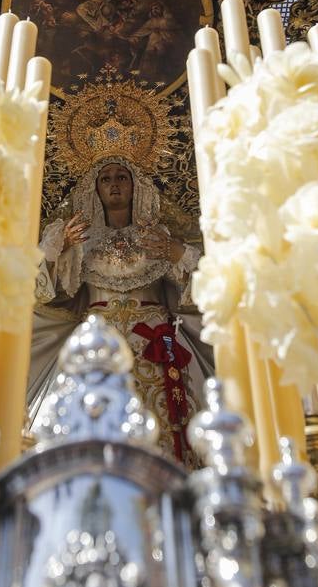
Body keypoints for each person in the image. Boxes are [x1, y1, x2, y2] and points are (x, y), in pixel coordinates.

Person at [28, 156, 213, 466]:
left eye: (121, 177)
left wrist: (176, 252)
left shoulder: (157, 236)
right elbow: (44, 292)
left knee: (165, 414)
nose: (114, 184)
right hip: (96, 341)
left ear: (135, 185)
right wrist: (60, 249)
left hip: (155, 340)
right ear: (96, 189)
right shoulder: (78, 238)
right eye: (106, 178)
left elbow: (199, 287)